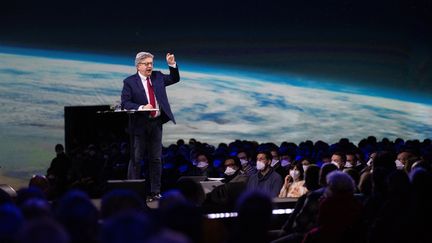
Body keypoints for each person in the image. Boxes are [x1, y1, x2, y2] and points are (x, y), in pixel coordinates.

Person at [121, 51, 180, 202]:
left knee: (156, 159)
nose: (149, 66)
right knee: (136, 159)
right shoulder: (129, 82)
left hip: (156, 124)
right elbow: (125, 103)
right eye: (146, 64)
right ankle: (133, 192)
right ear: (138, 66)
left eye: (151, 64)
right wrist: (142, 107)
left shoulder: (158, 76)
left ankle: (155, 192)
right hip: (139, 125)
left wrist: (171, 64)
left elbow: (174, 78)